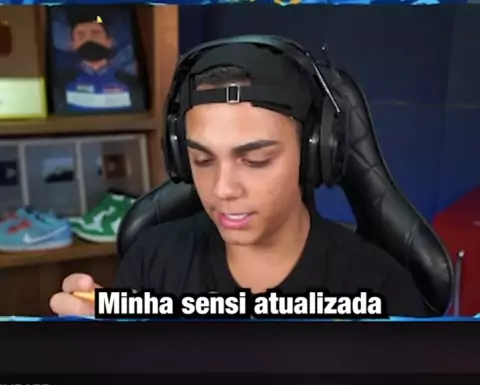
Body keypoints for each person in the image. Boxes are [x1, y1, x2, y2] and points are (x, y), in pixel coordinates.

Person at [50, 40, 428, 317]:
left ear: (314, 154)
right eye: (202, 160)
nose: (222, 189)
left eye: (256, 160)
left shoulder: (379, 290)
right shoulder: (153, 263)